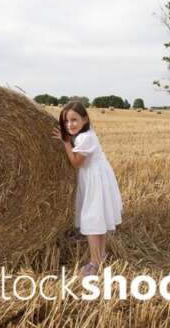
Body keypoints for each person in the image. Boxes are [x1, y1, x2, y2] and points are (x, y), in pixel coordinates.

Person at [51, 101, 123, 277]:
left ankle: (94, 263)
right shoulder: (85, 135)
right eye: (66, 121)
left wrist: (66, 142)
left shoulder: (86, 138)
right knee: (99, 217)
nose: (69, 125)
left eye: (74, 120)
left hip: (95, 180)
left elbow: (76, 162)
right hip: (96, 178)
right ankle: (101, 254)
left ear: (85, 119)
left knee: (91, 219)